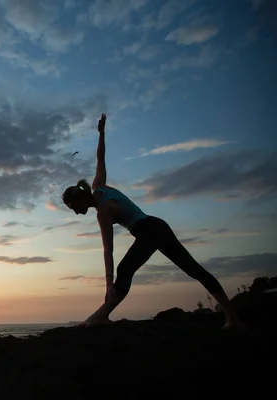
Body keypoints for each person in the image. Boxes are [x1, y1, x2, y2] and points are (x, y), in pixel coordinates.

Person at [62, 113, 245, 329]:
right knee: (193, 269)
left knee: (124, 269)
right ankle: (233, 318)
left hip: (147, 230)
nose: (75, 212)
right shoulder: (99, 185)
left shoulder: (103, 212)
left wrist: (108, 283)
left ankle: (101, 316)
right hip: (158, 225)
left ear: (80, 198)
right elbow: (100, 158)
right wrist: (101, 133)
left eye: (74, 207)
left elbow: (107, 250)